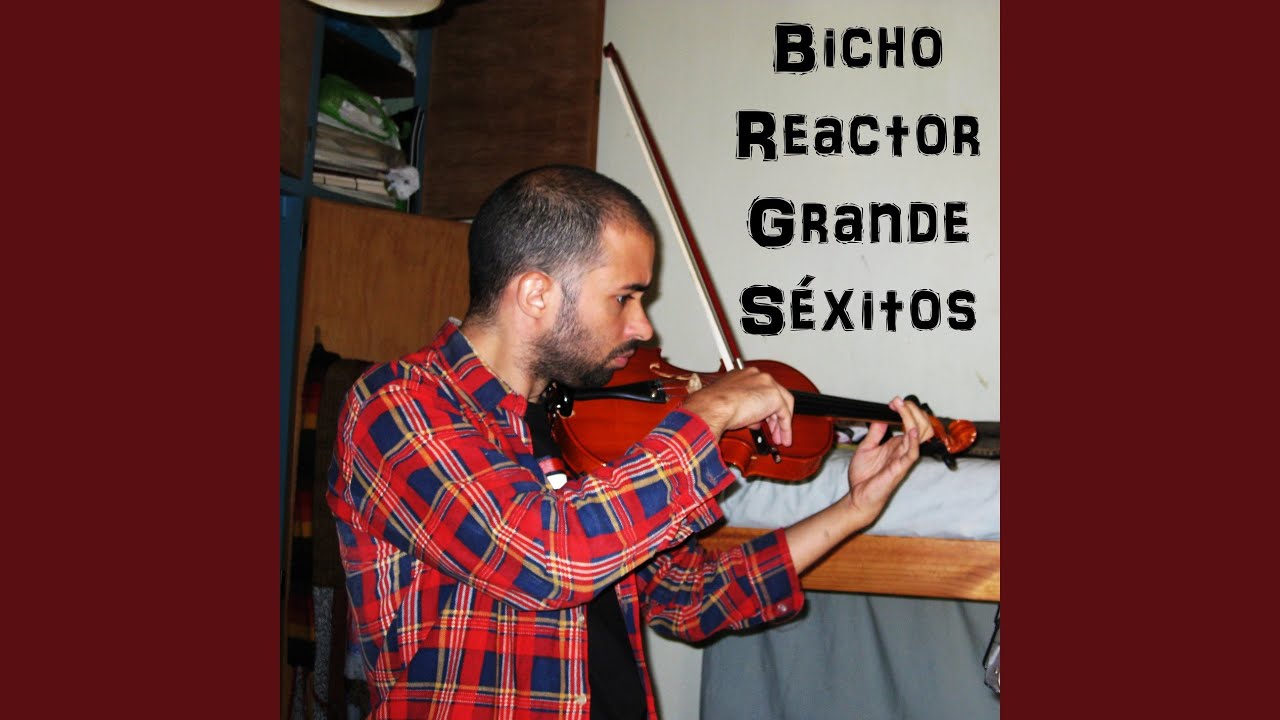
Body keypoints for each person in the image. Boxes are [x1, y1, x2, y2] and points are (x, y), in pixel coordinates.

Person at [327, 164, 933, 719]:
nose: (643, 326)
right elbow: (551, 558)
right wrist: (707, 411)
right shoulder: (398, 407)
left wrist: (854, 509)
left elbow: (685, 595)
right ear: (536, 294)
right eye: (624, 297)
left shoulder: (569, 425)